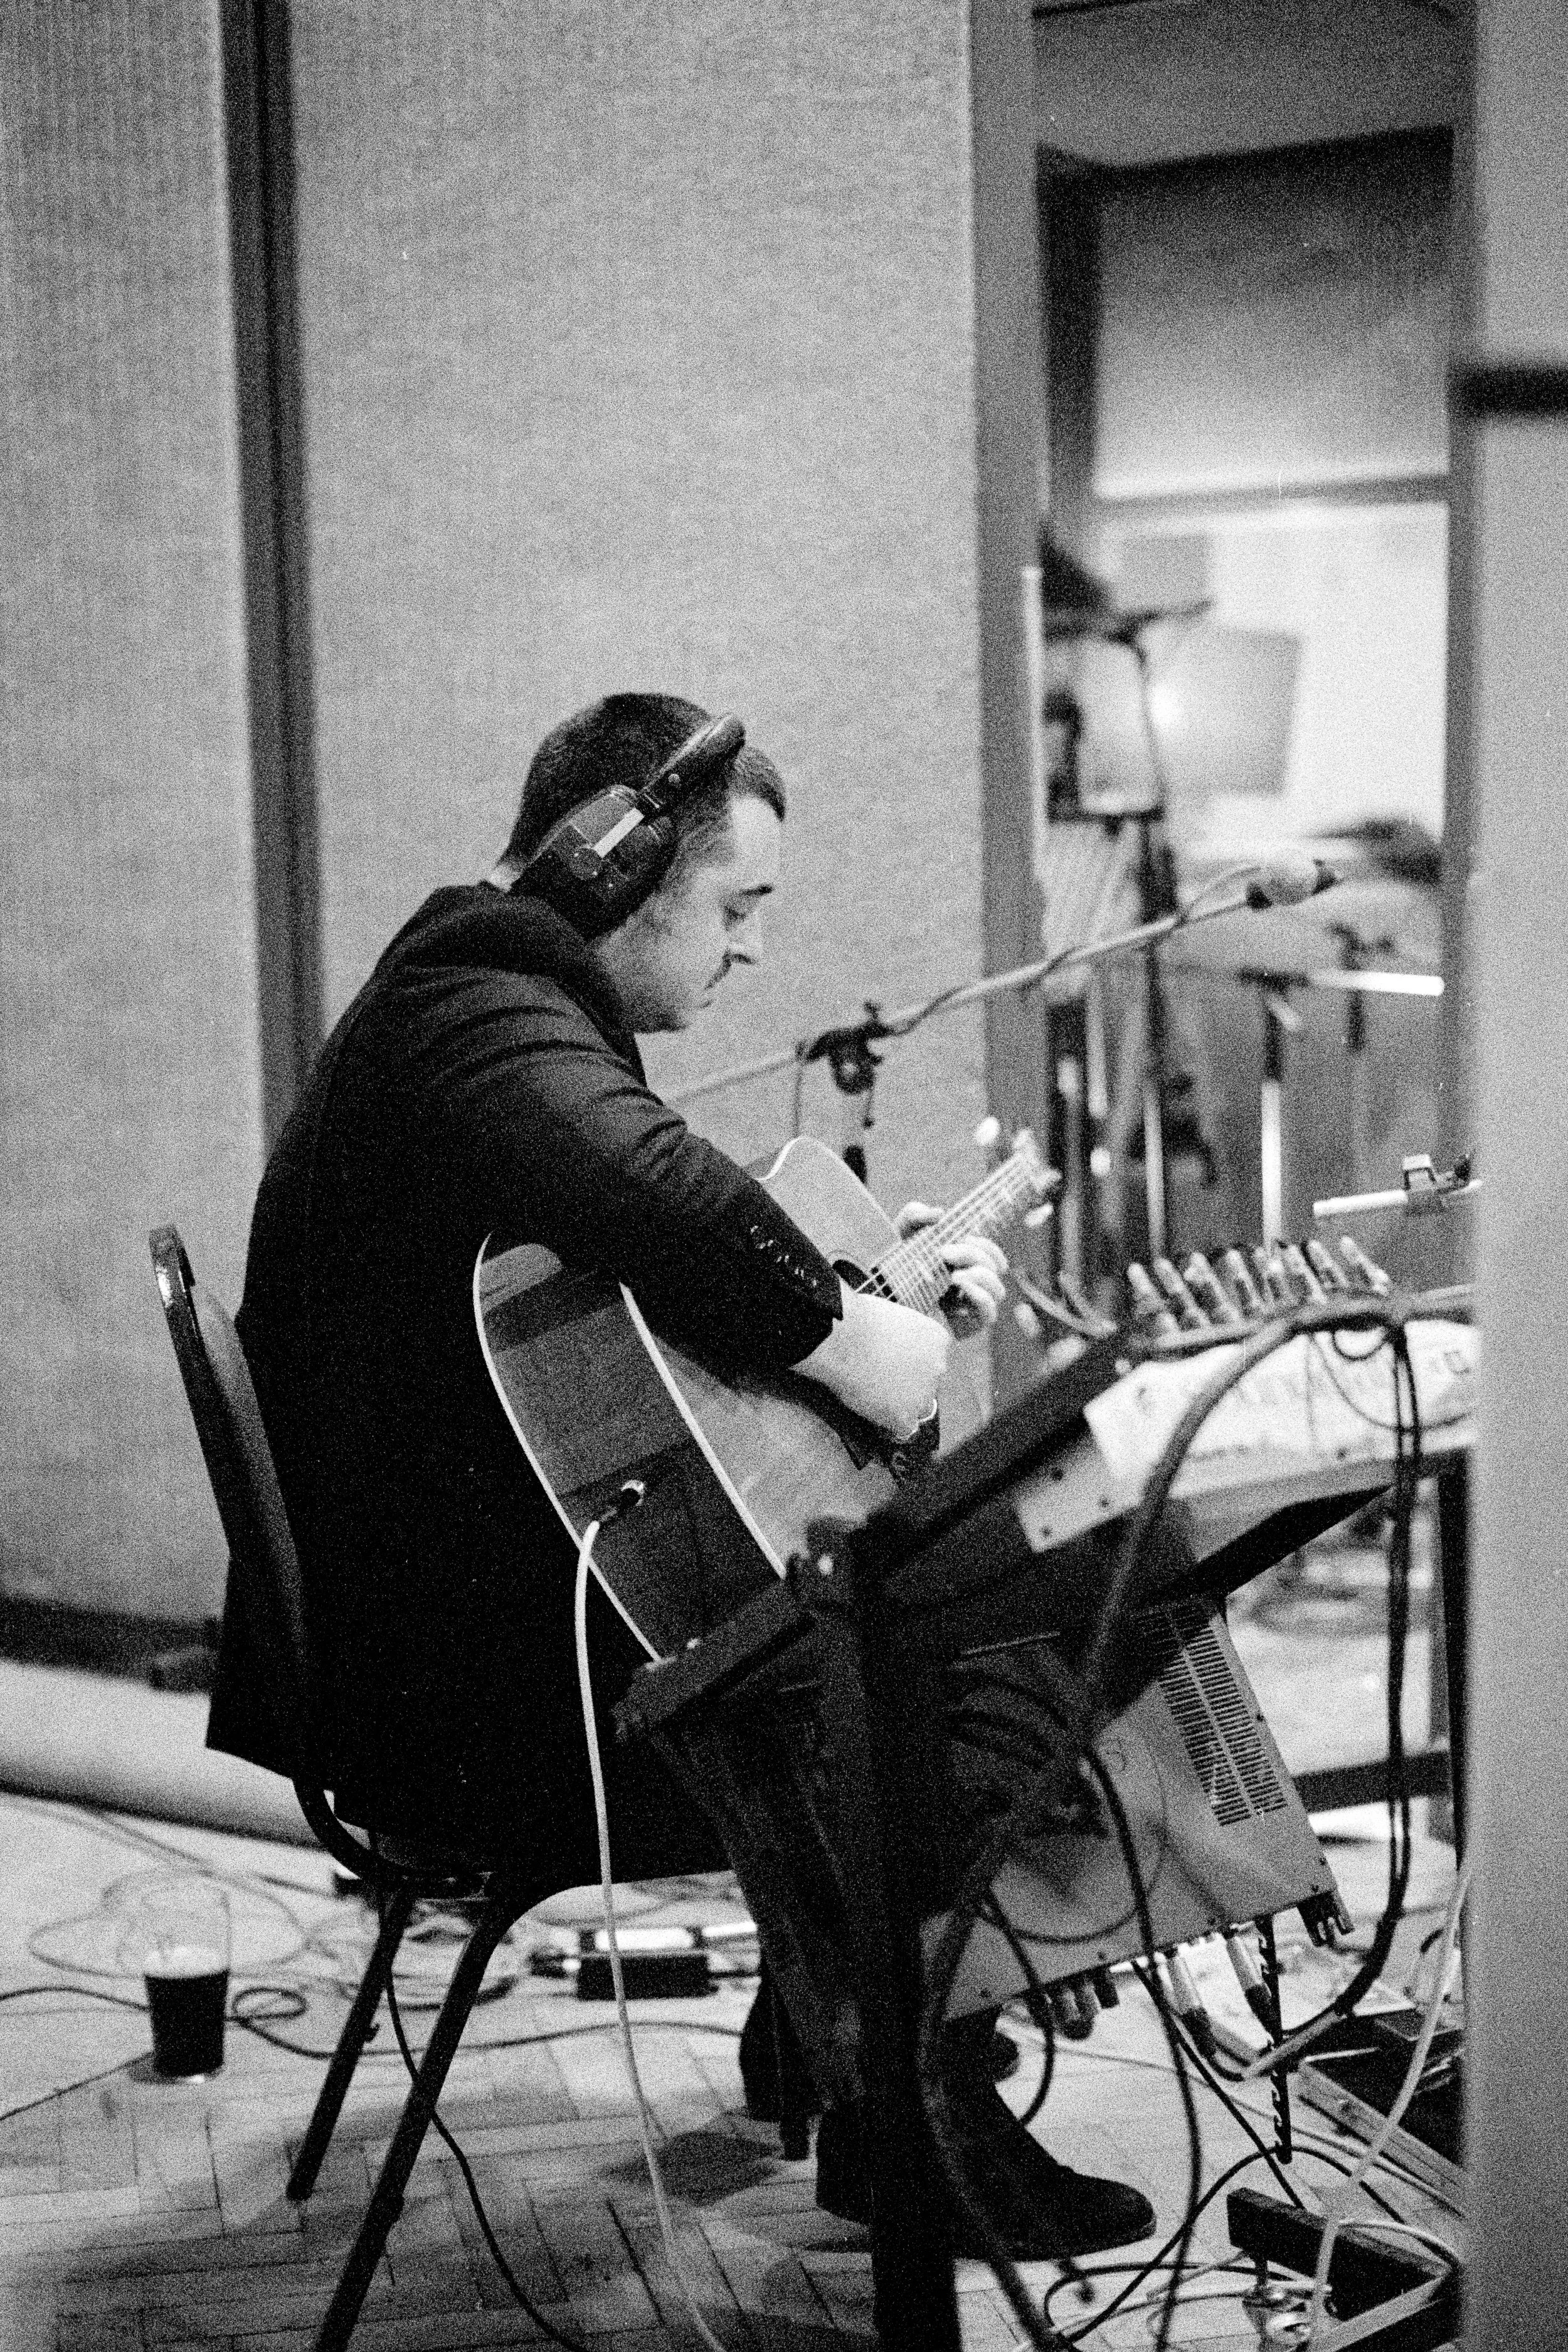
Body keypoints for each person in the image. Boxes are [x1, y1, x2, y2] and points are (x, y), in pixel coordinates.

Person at [207, 690, 1152, 2259]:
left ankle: (831, 2039)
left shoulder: (473, 999)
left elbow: (638, 1272)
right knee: (1006, 1634)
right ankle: (908, 2115)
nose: (753, 950)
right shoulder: (473, 994)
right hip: (463, 1711)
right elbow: (654, 1190)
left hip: (453, 1640)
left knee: (900, 1601)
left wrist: (871, 1301)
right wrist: (850, 1346)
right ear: (621, 868)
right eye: (736, 905)